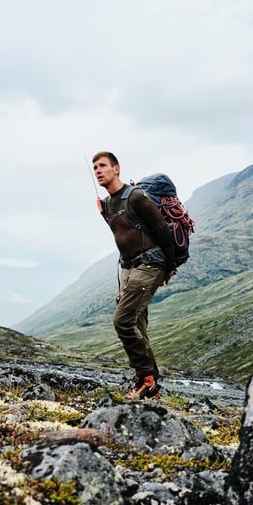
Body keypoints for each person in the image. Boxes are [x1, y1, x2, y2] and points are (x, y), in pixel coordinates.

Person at [93, 151, 176, 400]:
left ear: (116, 169)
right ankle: (149, 383)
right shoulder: (108, 204)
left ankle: (146, 379)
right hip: (128, 266)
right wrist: (105, 214)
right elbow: (124, 231)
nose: (98, 170)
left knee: (123, 321)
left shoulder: (137, 196)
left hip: (150, 263)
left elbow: (162, 230)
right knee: (136, 323)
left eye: (103, 166)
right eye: (95, 167)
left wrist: (169, 266)